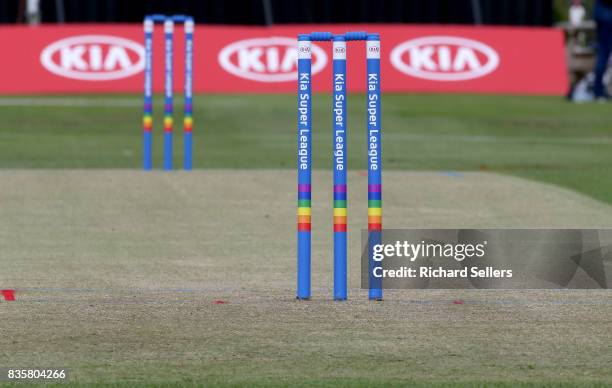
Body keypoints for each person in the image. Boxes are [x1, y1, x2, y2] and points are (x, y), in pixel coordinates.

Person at [594, 0, 612, 99]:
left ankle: (598, 90)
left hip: (601, 15)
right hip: (607, 17)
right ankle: (598, 91)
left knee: (602, 54)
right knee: (603, 55)